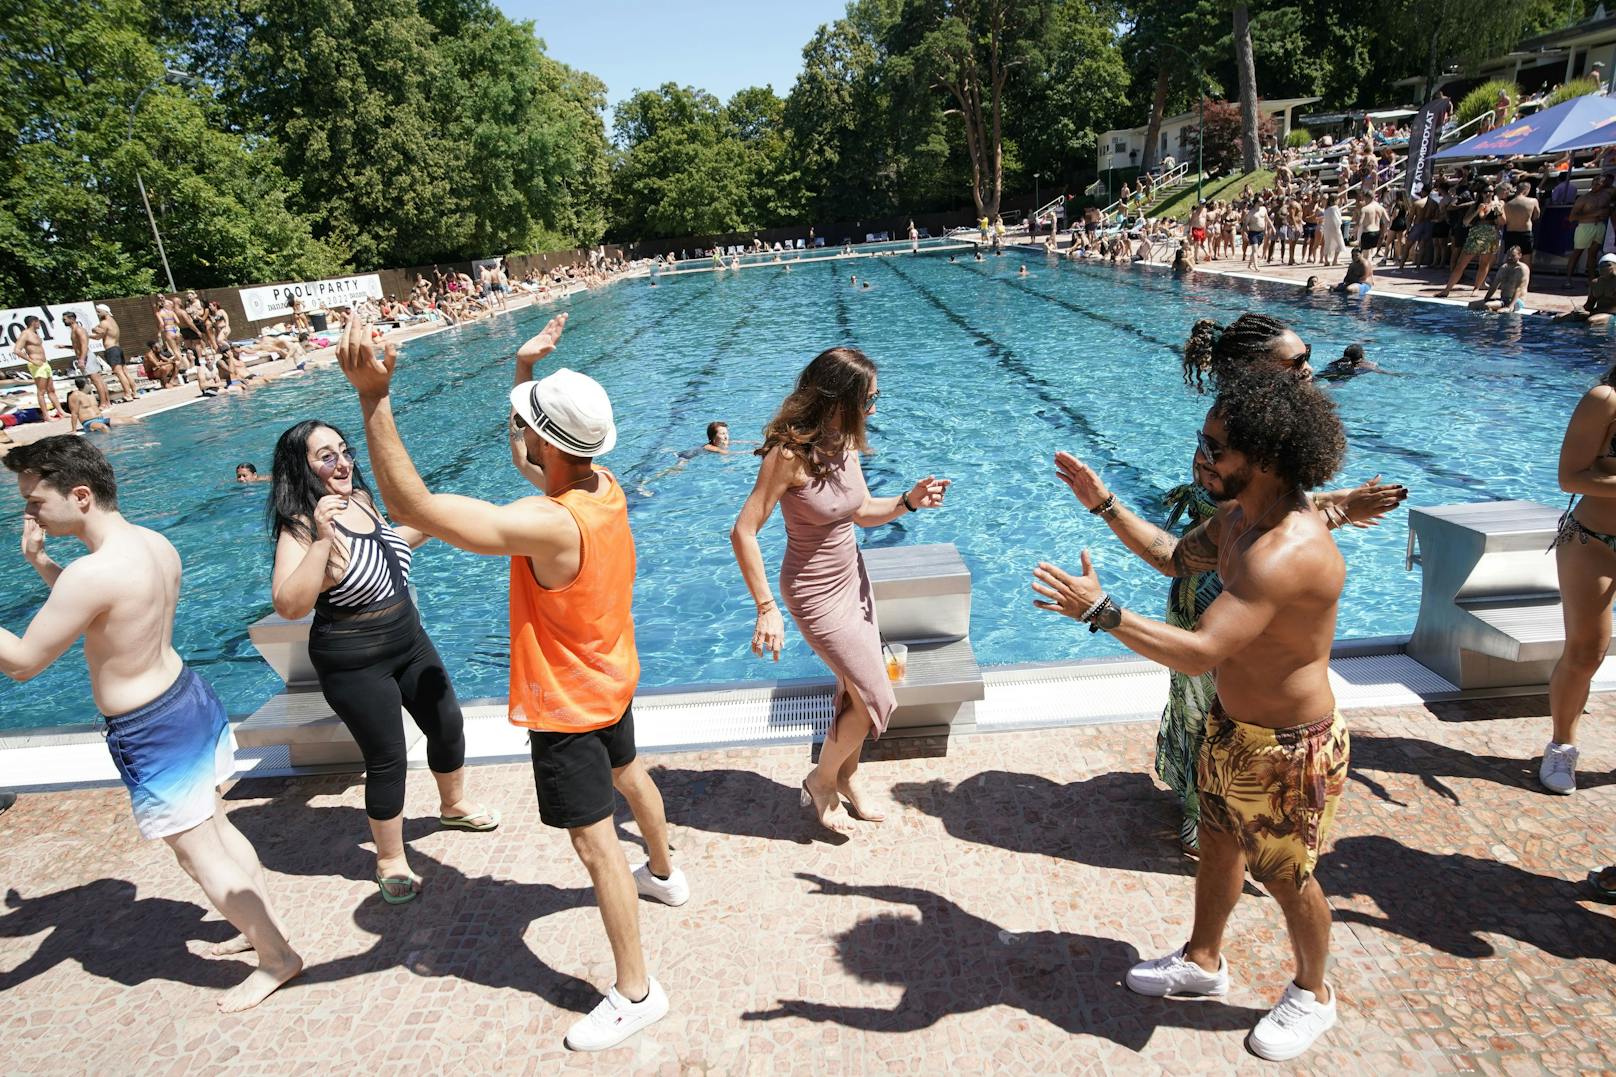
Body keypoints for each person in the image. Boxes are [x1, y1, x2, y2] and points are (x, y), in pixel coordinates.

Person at [336, 310, 685, 1051]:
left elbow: (414, 508)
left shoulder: (551, 525)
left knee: (594, 847)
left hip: (568, 705)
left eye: (525, 426)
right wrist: (523, 377)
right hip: (612, 676)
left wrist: (374, 398)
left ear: (546, 442)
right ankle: (664, 872)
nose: (518, 437)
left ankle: (637, 991)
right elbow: (533, 461)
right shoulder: (601, 485)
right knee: (632, 774)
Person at [1031, 370, 1352, 1062]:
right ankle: (1204, 960)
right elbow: (1176, 558)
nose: (1200, 457)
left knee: (1288, 876)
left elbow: (1202, 651)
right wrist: (1105, 504)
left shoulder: (1284, 551)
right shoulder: (1241, 520)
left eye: (1215, 447)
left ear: (1264, 457)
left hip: (1290, 748)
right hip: (1234, 727)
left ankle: (1314, 993)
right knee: (1216, 843)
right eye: (1202, 441)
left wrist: (1102, 612)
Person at [0, 437, 301, 1011]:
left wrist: (50, 574)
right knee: (217, 824)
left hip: (150, 728)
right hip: (187, 697)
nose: (29, 514)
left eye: (35, 501)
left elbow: (23, 663)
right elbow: (105, 617)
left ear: (80, 495)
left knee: (197, 855)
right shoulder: (152, 544)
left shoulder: (90, 574)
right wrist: (42, 564)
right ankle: (258, 928)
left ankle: (276, 957)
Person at [267, 419, 497, 903]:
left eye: (344, 451)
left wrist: (443, 521)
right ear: (302, 469)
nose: (343, 462)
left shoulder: (362, 500)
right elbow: (290, 604)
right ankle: (390, 858)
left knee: (446, 723)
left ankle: (452, 805)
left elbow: (386, 546)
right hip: (354, 660)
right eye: (326, 456)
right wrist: (324, 537)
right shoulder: (301, 526)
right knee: (388, 758)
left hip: (408, 638)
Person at [731, 348, 951, 833]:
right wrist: (766, 607)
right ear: (839, 399)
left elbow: (860, 510)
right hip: (812, 592)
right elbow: (743, 531)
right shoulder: (787, 455)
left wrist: (908, 503)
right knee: (878, 695)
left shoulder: (845, 443)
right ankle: (822, 779)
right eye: (868, 398)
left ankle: (847, 779)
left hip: (852, 579)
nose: (874, 407)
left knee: (853, 692)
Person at [1543, 356, 1616, 795]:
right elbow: (1569, 478)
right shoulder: (1604, 399)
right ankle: (1561, 746)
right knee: (1588, 651)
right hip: (1596, 542)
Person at [1438, 183, 1504, 296]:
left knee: (1484, 264)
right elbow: (1465, 222)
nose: (1488, 194)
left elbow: (1502, 222)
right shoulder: (1475, 205)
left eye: (1491, 191)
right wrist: (1477, 211)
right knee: (1461, 263)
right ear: (1481, 193)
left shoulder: (1498, 204)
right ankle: (1447, 289)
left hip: (1490, 235)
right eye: (1486, 191)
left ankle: (1476, 288)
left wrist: (1499, 211)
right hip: (1475, 234)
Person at [15, 316, 64, 422]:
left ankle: (61, 411)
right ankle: (46, 416)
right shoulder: (25, 334)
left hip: (44, 363)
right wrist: (32, 361)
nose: (40, 324)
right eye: (38, 322)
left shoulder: (35, 334)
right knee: (41, 391)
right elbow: (17, 350)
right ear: (33, 322)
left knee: (51, 390)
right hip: (36, 365)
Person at [1565, 173, 1613, 281]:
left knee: (1593, 255)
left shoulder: (1606, 197)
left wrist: (1606, 212)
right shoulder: (1583, 199)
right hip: (1585, 226)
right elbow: (1572, 217)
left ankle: (1591, 280)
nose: (1596, 185)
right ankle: (1568, 279)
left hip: (1599, 226)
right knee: (1577, 253)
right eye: (1595, 183)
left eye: (1599, 183)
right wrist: (1595, 214)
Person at [62, 312, 110, 410]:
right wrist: (65, 347)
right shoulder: (74, 330)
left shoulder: (79, 330)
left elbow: (84, 345)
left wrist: (82, 359)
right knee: (98, 380)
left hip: (87, 357)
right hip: (84, 357)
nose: (64, 321)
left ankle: (103, 403)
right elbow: (77, 346)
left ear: (72, 319)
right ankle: (106, 402)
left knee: (96, 381)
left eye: (65, 319)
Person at [90, 304, 137, 403]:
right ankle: (134, 392)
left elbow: (98, 336)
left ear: (105, 311)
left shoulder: (104, 323)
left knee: (119, 373)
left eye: (99, 312)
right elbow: (101, 331)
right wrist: (95, 329)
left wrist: (88, 334)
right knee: (125, 371)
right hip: (118, 348)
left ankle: (127, 394)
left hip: (111, 349)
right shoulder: (113, 321)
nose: (97, 314)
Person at [1555, 253, 1616, 325]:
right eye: (1601, 266)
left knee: (1591, 321)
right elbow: (1589, 304)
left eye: (1608, 265)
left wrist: (1590, 313)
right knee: (1558, 318)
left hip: (1612, 314)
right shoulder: (1595, 283)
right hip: (1596, 312)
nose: (1604, 268)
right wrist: (1581, 310)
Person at [1473, 245, 1531, 312]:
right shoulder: (1504, 268)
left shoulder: (1522, 269)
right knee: (1472, 305)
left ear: (1519, 256)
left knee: (1488, 306)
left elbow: (1519, 289)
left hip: (1516, 301)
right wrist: (1486, 299)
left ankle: (1493, 318)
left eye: (1512, 256)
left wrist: (1510, 307)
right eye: (1508, 255)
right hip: (1503, 300)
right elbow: (1494, 286)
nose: (1509, 258)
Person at [64, 378, 132, 434]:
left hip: (101, 420)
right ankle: (111, 444)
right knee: (104, 428)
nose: (91, 385)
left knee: (131, 420)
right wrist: (74, 430)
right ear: (85, 385)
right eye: (89, 383)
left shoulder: (90, 393)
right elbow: (74, 413)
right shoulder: (75, 395)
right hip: (89, 423)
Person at [1500, 182, 1541, 265]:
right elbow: (1536, 215)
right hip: (1525, 233)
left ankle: (1510, 277)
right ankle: (1525, 277)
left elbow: (1504, 220)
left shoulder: (1507, 204)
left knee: (1511, 260)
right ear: (1527, 190)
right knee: (1526, 261)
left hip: (1510, 234)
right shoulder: (1533, 201)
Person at [1317, 343, 1387, 380]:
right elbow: (1381, 372)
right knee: (1339, 382)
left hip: (1334, 371)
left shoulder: (1336, 362)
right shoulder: (1368, 365)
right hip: (1347, 374)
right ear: (1362, 355)